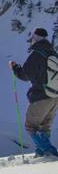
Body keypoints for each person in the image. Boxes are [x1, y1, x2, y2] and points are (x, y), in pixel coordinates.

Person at [9, 27, 58, 157]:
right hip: (54, 97)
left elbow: (25, 75)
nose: (30, 41)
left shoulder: (37, 54)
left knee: (31, 126)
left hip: (41, 96)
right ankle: (41, 152)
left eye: (31, 38)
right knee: (44, 127)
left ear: (35, 38)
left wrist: (15, 68)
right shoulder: (53, 53)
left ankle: (49, 151)